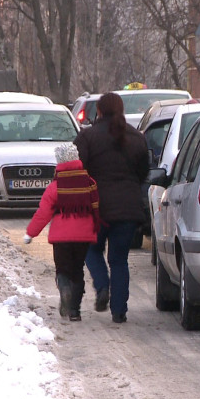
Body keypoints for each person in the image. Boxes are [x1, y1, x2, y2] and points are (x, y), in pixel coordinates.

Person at [73, 92, 149, 324]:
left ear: (99, 111)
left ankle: (102, 285)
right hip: (127, 210)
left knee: (91, 249)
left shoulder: (87, 137)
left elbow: (77, 170)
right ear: (121, 110)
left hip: (96, 208)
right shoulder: (136, 138)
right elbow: (143, 173)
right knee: (119, 260)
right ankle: (119, 311)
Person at [23, 143, 101, 321]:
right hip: (84, 236)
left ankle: (64, 288)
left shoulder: (55, 186)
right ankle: (74, 311)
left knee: (63, 270)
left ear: (59, 161)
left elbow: (43, 213)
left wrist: (30, 233)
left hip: (61, 237)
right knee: (77, 270)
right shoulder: (89, 183)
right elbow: (96, 207)